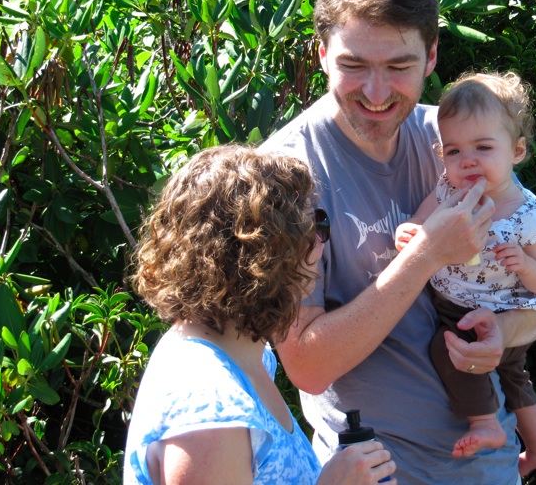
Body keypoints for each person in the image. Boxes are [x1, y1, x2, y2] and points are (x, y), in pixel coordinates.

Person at [262, 0, 536, 485]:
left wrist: (503, 330)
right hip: (380, 470)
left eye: (400, 66)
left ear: (432, 56)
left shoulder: (454, 143)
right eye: (353, 65)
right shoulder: (286, 175)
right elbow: (307, 367)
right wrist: (428, 252)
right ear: (319, 52)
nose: (377, 93)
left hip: (491, 464)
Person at [123, 144, 397, 485]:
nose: (322, 241)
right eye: (315, 224)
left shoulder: (242, 358)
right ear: (265, 255)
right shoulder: (209, 404)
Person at [394, 72, 536, 475]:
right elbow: (422, 219)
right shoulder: (450, 190)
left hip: (491, 312)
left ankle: (486, 423)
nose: (466, 160)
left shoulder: (527, 215)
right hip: (455, 296)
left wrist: (525, 264)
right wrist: (411, 231)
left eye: (483, 147)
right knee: (515, 379)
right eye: (453, 151)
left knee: (448, 350)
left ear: (517, 151)